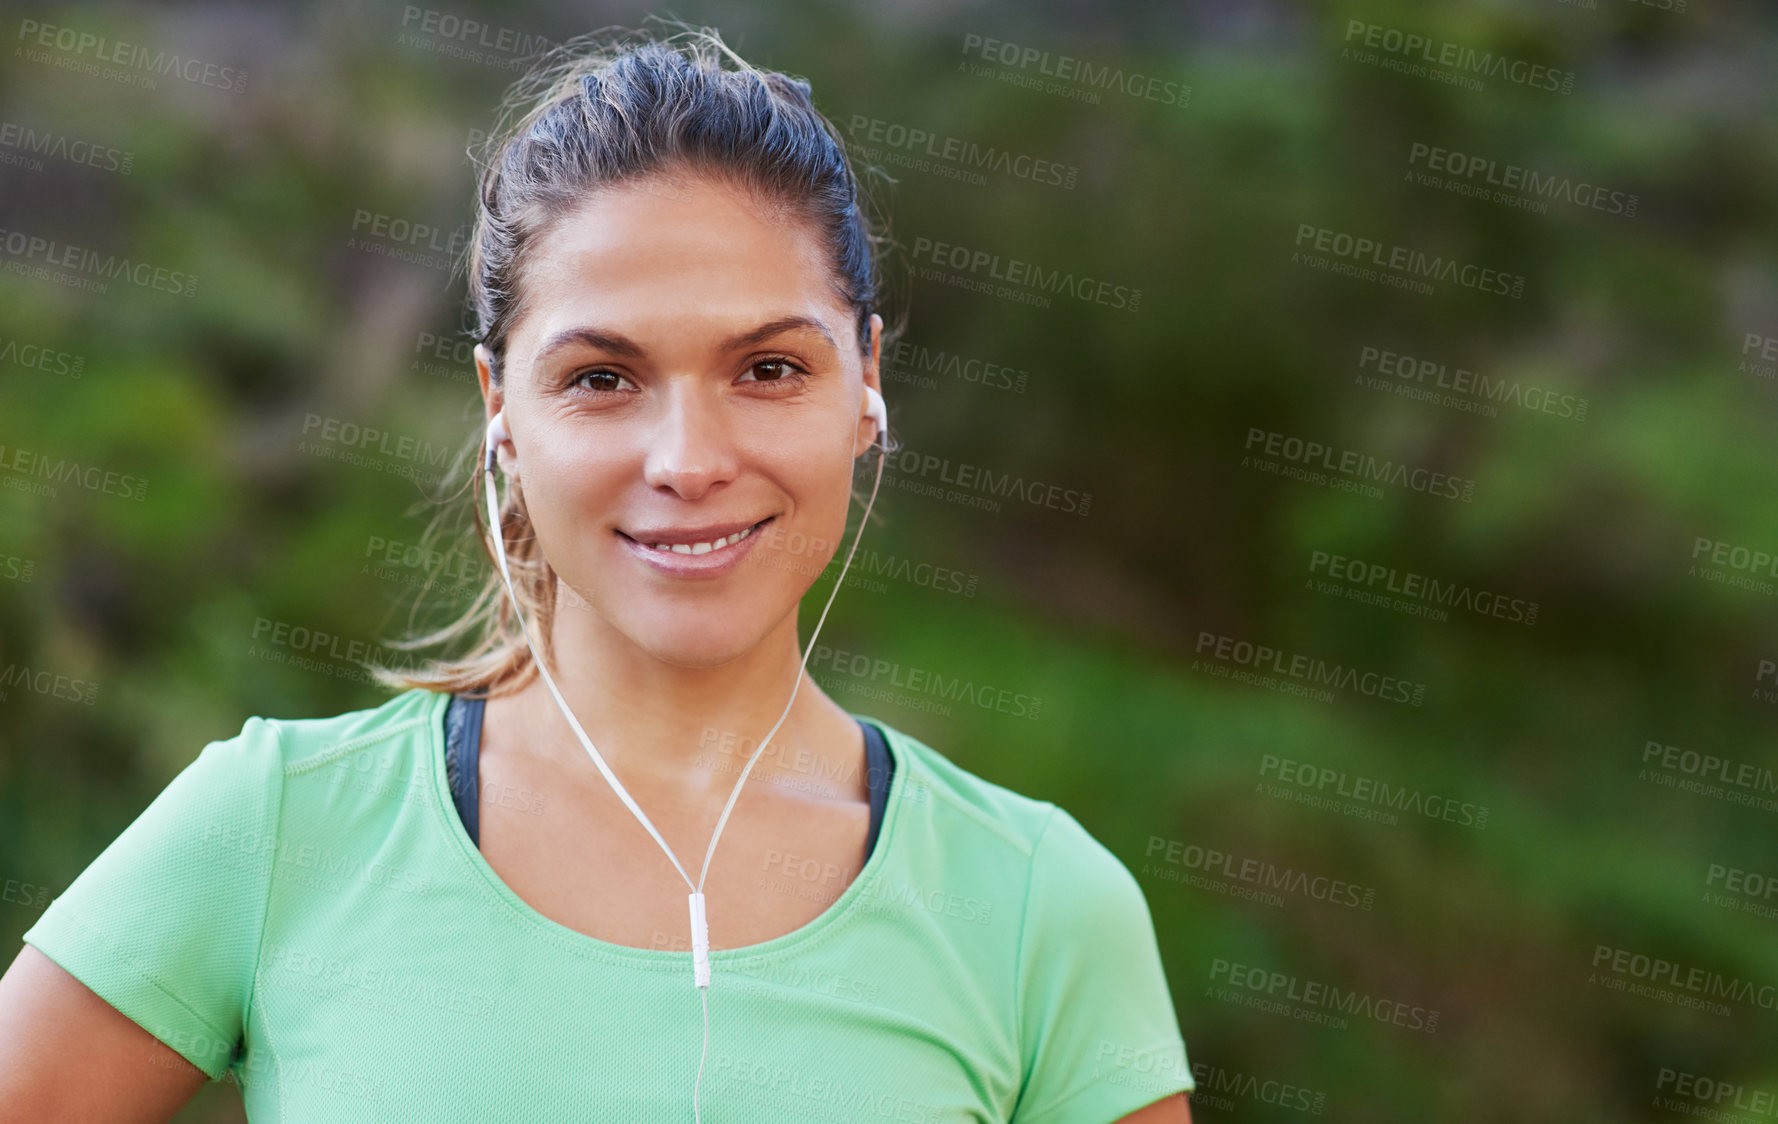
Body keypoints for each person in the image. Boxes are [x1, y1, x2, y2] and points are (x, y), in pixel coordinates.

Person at [0, 25, 1196, 1122]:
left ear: (865, 377)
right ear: (500, 410)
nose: (686, 461)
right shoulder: (276, 828)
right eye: (600, 378)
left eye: (768, 369)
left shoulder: (1042, 908)